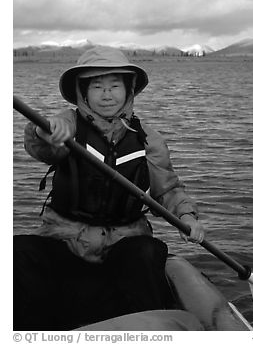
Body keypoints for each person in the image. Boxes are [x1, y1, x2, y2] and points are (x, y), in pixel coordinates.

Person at [14, 46, 205, 331]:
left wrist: (187, 216)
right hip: (65, 240)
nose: (106, 94)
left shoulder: (148, 140)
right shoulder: (67, 125)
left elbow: (167, 188)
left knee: (148, 252)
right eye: (97, 86)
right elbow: (42, 146)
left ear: (128, 90)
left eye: (115, 85)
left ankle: (149, 331)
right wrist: (45, 133)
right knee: (17, 252)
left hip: (123, 242)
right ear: (83, 92)